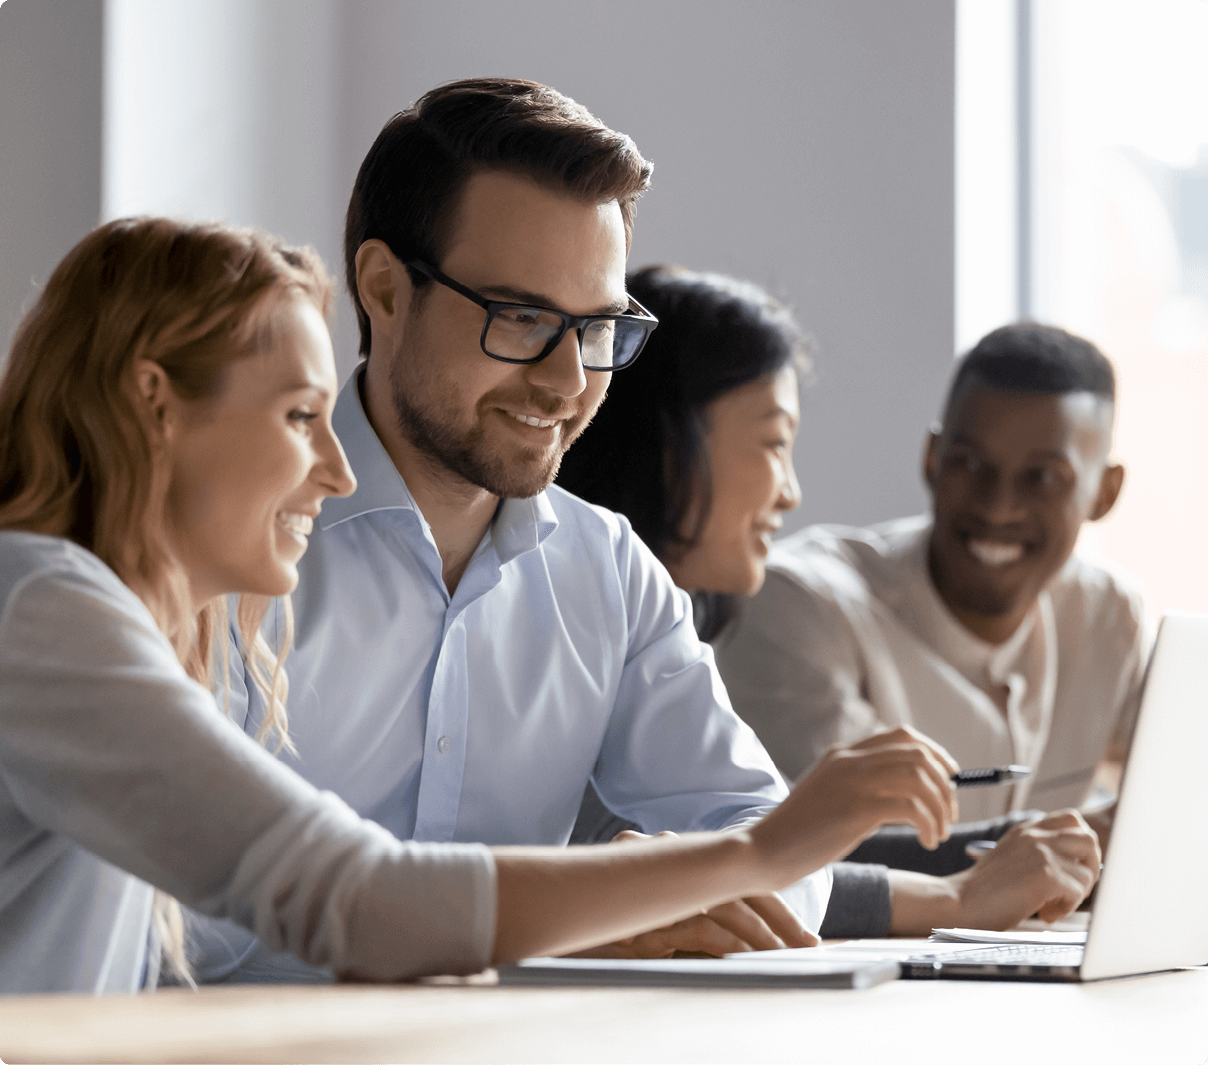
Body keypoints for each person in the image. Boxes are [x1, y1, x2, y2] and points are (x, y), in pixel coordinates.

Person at [0, 215, 969, 995]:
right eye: (301, 418)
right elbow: (350, 897)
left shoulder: (110, 616)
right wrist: (761, 849)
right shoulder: (39, 608)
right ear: (154, 403)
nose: (335, 468)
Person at [188, 77, 980, 981]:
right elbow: (182, 931)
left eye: (596, 326)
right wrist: (570, 913)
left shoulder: (606, 569)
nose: (568, 381)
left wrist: (649, 891)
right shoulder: (228, 548)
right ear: (384, 289)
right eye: (520, 318)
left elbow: (768, 843)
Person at [558, 266, 1103, 938]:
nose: (790, 491)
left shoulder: (665, 625)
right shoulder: (569, 615)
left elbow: (742, 853)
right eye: (775, 443)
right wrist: (956, 897)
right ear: (672, 443)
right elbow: (715, 867)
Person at [714, 321, 1148, 831]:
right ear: (932, 459)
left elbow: (1174, 793)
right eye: (968, 462)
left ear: (1105, 493)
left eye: (1043, 478)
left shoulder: (1108, 613)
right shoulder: (797, 603)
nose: (998, 505)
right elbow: (838, 852)